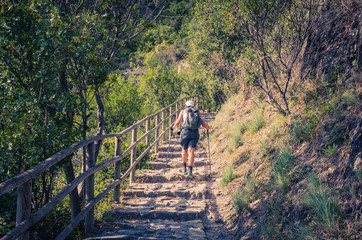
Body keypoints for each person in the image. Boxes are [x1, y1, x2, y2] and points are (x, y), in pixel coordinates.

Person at [172, 100, 210, 175]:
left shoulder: (183, 112)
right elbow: (202, 122)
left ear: (186, 106)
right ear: (193, 105)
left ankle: (184, 168)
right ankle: (190, 170)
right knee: (192, 151)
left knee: (184, 149)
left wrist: (173, 127)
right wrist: (207, 127)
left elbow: (178, 122)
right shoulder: (197, 112)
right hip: (194, 132)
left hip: (185, 132)